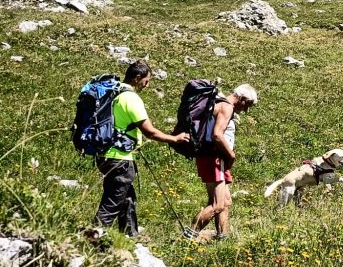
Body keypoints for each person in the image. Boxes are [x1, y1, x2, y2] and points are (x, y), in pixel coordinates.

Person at [95, 60, 189, 237]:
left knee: (127, 199)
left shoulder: (112, 94)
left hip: (104, 155)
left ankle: (130, 236)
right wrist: (175, 139)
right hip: (120, 157)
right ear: (137, 77)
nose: (147, 85)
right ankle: (90, 237)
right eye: (147, 80)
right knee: (112, 202)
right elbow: (150, 132)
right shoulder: (130, 98)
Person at [185, 84, 258, 241]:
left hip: (211, 157)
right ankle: (188, 238)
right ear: (242, 99)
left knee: (225, 201)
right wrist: (231, 155)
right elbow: (217, 135)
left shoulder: (219, 103)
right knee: (217, 204)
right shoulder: (227, 107)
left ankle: (223, 238)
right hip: (214, 158)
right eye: (248, 105)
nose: (246, 110)